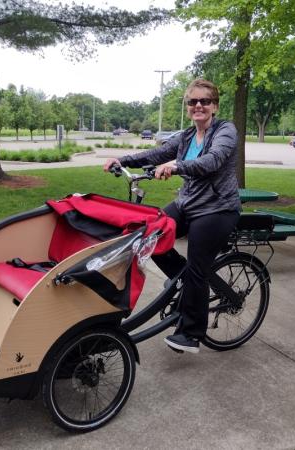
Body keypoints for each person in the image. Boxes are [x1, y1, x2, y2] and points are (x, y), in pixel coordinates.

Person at [103, 78, 241, 353]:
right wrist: (123, 160)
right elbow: (157, 152)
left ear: (214, 105)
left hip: (217, 208)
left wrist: (176, 166)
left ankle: (191, 333)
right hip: (188, 203)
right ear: (188, 107)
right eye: (193, 102)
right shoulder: (187, 136)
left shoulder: (225, 130)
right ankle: (185, 283)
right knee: (150, 237)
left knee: (197, 266)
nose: (198, 106)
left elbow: (212, 161)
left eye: (205, 101)